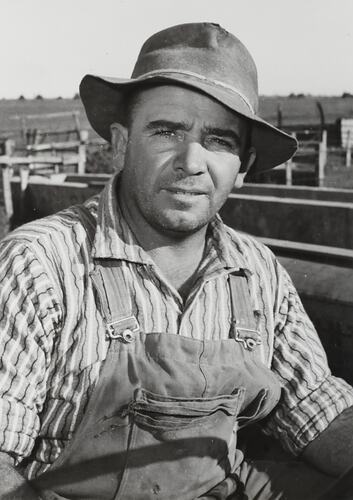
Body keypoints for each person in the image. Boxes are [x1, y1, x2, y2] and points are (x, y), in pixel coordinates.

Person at [0, 22, 352, 500]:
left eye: (219, 140)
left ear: (243, 166)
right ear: (121, 144)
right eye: (167, 131)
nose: (192, 160)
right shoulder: (42, 263)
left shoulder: (257, 272)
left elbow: (316, 409)